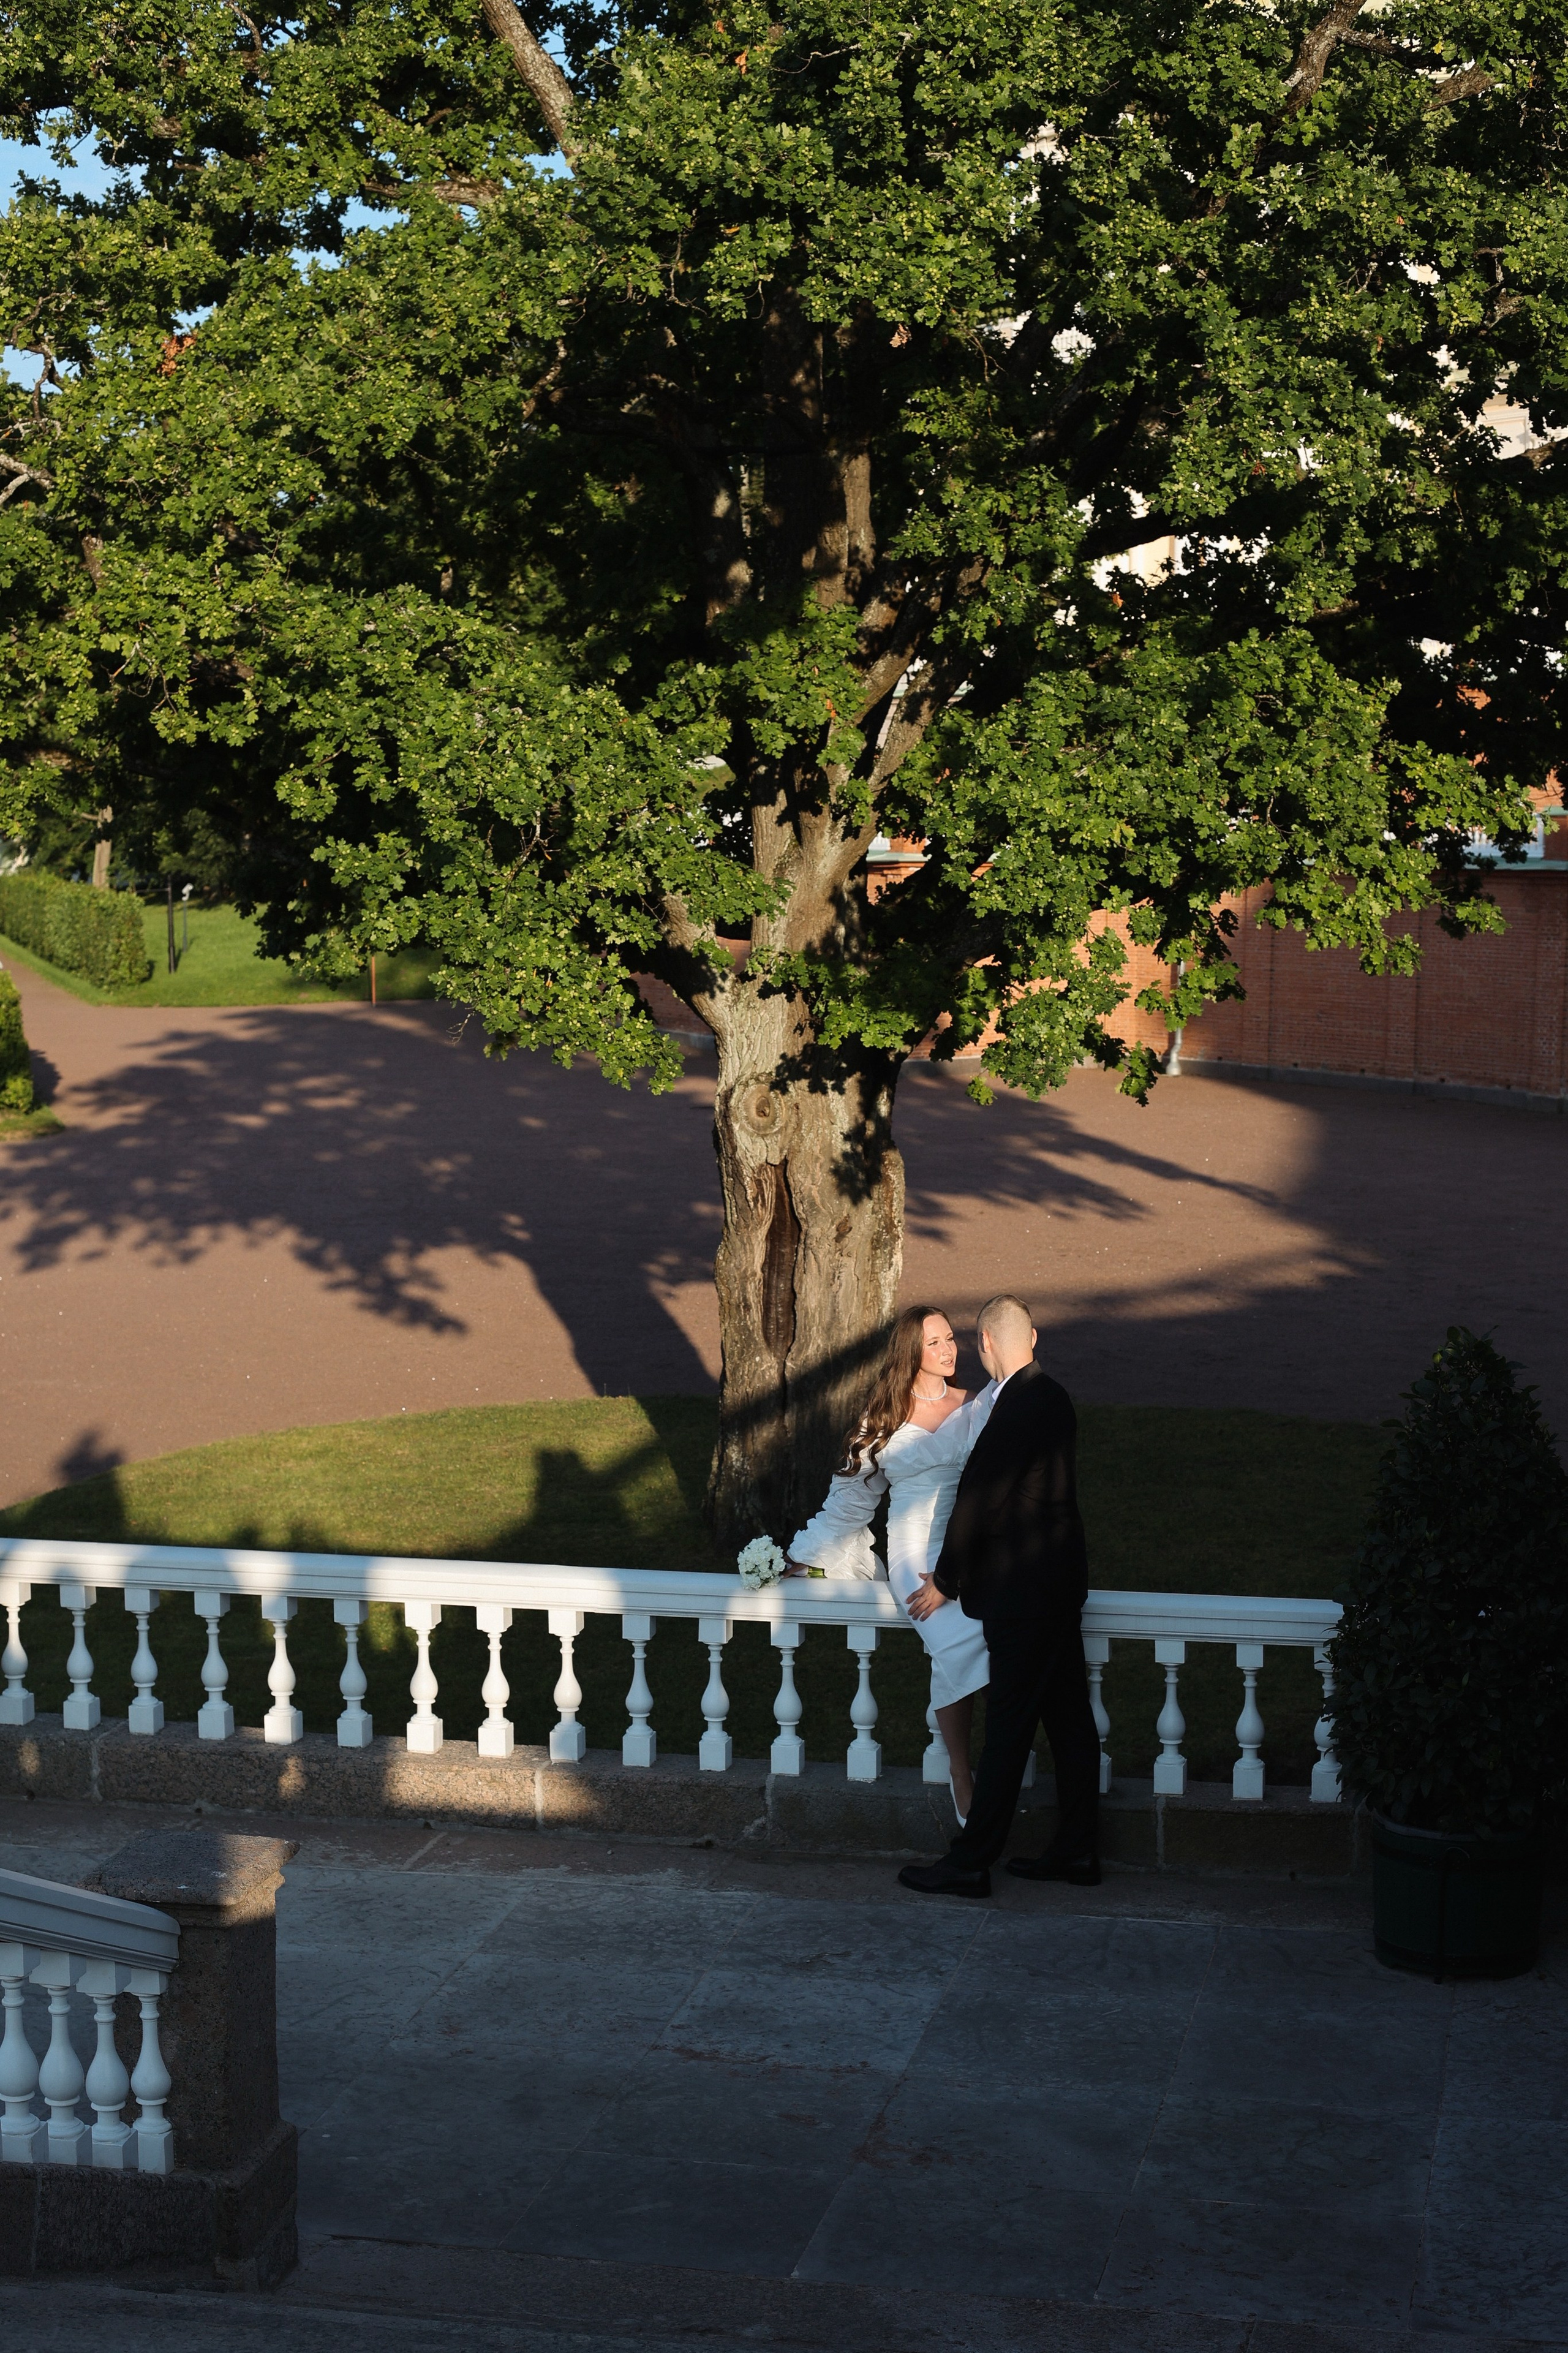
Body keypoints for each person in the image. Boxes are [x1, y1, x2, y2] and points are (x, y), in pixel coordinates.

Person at [898, 1294, 1101, 1900]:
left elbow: (980, 1501)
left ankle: (970, 1859)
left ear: (985, 1343)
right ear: (1032, 1337)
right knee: (1069, 1721)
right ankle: (1077, 1850)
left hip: (1023, 1594)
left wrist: (945, 1579)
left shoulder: (1012, 1408)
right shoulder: (1053, 1396)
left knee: (1009, 1729)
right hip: (1060, 1588)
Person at [786, 1305, 995, 1820]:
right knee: (951, 1635)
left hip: (967, 1549)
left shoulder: (976, 1405)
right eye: (935, 1343)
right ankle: (962, 1771)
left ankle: (983, 1766)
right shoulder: (883, 1418)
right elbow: (849, 1504)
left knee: (990, 1638)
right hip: (913, 1554)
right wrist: (797, 1556)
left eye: (951, 1339)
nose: (949, 1350)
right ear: (910, 1354)